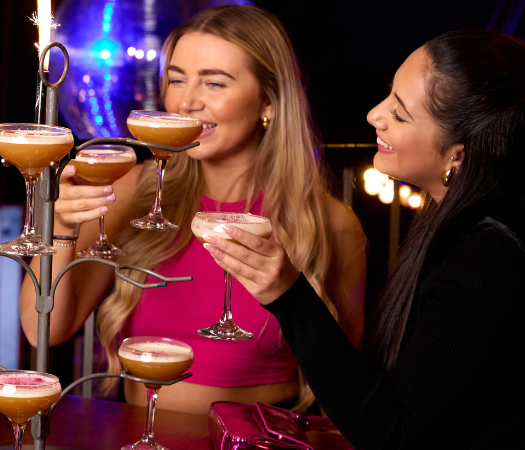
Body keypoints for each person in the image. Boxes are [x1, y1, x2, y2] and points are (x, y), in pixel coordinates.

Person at [20, 5, 366, 415]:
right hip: (141, 435)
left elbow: (349, 393)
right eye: (176, 79)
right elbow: (44, 331)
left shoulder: (329, 224)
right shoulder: (133, 192)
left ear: (268, 102)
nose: (186, 102)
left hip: (258, 439)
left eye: (214, 83)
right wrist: (59, 225)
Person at [205, 29, 525, 448]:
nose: (375, 114)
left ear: (457, 153)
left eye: (400, 113)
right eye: (388, 95)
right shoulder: (456, 225)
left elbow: (392, 434)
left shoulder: (484, 259)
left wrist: (288, 295)